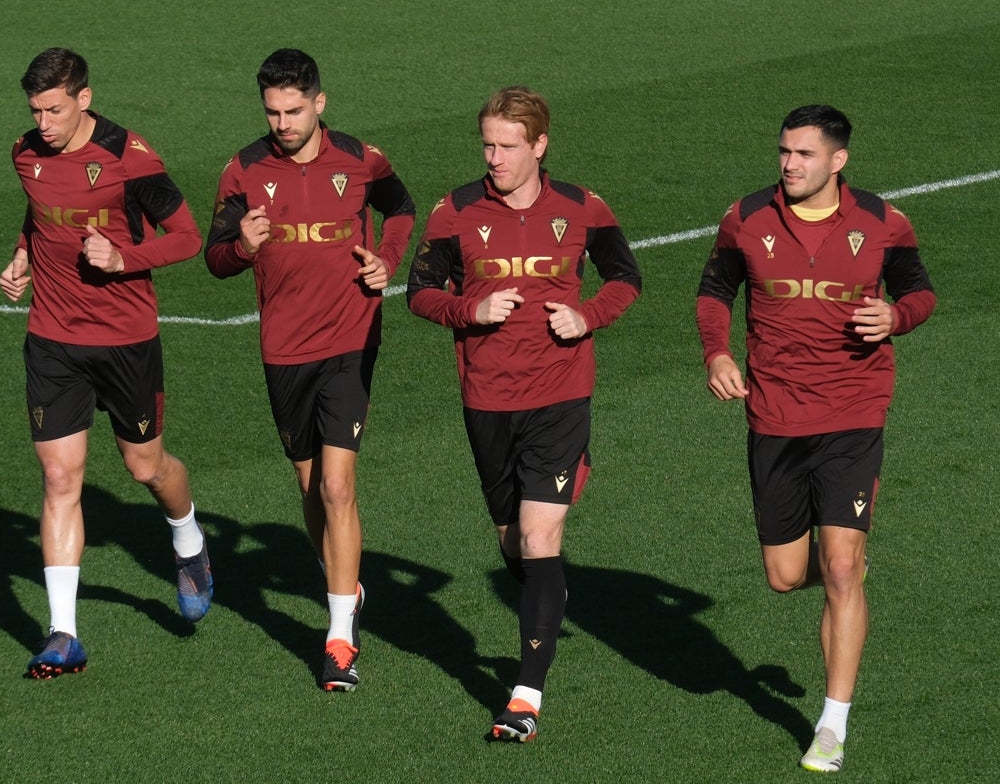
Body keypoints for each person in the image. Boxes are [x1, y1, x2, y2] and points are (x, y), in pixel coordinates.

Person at [696, 104, 936, 772]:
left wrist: (896, 314)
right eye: (784, 152)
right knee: (785, 576)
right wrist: (717, 354)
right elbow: (714, 290)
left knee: (838, 569)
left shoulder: (884, 223)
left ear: (838, 161)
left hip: (855, 414)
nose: (789, 164)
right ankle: (845, 573)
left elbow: (920, 292)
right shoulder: (745, 218)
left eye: (803, 154)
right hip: (774, 417)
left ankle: (831, 725)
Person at [407, 86, 642, 741]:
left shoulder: (582, 208)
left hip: (561, 395)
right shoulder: (454, 211)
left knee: (541, 540)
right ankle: (545, 593)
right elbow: (419, 292)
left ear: (539, 146)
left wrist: (588, 315)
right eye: (486, 144)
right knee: (516, 547)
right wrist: (468, 311)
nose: (494, 158)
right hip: (487, 400)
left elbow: (626, 278)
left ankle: (525, 697)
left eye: (507, 146)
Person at [0, 47, 213, 679]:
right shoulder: (25, 154)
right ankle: (64, 633)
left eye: (55, 109)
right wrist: (23, 256)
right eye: (36, 110)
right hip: (53, 338)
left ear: (84, 99)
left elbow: (187, 237)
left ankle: (189, 542)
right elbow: (41, 219)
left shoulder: (130, 159)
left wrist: (124, 260)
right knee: (60, 478)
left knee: (145, 465)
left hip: (125, 340)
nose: (44, 123)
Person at [205, 48, 415, 691]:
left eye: (294, 110)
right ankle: (345, 586)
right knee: (309, 488)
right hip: (284, 349)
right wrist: (243, 246)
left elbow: (402, 208)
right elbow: (213, 258)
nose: (283, 123)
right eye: (272, 111)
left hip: (351, 341)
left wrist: (385, 258)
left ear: (319, 103)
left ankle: (340, 639)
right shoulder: (242, 170)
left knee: (337, 486)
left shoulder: (361, 159)